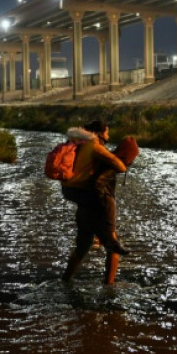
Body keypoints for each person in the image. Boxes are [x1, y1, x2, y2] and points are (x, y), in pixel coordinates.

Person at [61, 120, 131, 284]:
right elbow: (120, 167)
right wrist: (121, 160)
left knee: (82, 247)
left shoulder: (77, 144)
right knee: (113, 246)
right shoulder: (95, 146)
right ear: (100, 133)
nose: (109, 135)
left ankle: (65, 280)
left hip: (83, 201)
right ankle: (109, 286)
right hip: (99, 201)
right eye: (107, 132)